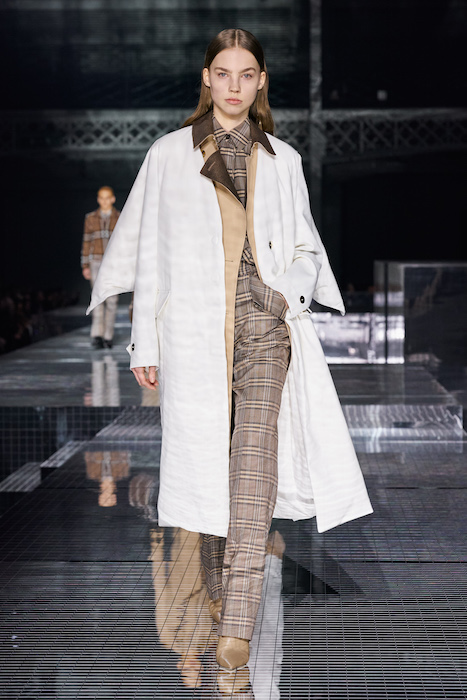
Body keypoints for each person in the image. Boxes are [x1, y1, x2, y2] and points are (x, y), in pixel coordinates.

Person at [88, 28, 373, 671]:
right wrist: (143, 340)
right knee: (209, 472)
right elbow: (151, 254)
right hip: (195, 333)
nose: (235, 86)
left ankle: (237, 625)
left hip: (265, 331)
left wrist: (282, 295)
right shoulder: (169, 154)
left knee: (253, 470)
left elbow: (305, 249)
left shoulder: (283, 159)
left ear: (261, 81)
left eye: (247, 74)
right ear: (207, 78)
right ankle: (216, 595)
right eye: (224, 73)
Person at [81, 186, 120, 348]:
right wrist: (85, 264)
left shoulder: (120, 217)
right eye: (101, 198)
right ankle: (97, 335)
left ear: (112, 199)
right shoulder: (90, 218)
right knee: (97, 298)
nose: (104, 201)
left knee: (112, 300)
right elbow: (86, 241)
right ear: (98, 199)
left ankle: (108, 336)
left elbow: (123, 243)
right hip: (96, 261)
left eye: (107, 198)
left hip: (113, 262)